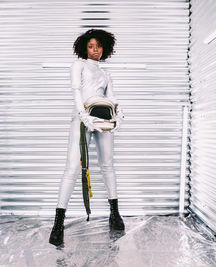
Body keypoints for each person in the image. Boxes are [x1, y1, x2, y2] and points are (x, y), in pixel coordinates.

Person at [49, 29, 125, 246]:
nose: (95, 50)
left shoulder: (106, 74)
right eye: (91, 46)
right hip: (81, 119)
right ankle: (58, 224)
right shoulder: (78, 65)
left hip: (102, 120)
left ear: (104, 48)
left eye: (99, 46)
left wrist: (118, 115)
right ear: (84, 47)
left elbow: (111, 97)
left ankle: (114, 214)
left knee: (107, 165)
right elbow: (76, 91)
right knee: (72, 168)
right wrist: (83, 116)